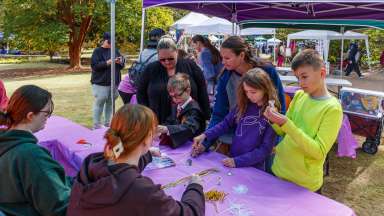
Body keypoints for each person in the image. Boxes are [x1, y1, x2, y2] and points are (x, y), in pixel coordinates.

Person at [67, 104, 205, 216]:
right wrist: (195, 187)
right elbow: (188, 213)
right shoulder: (142, 190)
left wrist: (146, 155)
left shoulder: (93, 162)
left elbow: (119, 169)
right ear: (146, 139)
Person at [264, 49, 343, 193]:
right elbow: (283, 132)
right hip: (279, 170)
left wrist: (286, 124)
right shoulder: (300, 96)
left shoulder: (332, 109)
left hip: (304, 183)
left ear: (322, 73)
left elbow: (319, 152)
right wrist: (273, 120)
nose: (300, 83)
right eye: (297, 78)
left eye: (304, 77)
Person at [202, 36, 286, 149]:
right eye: (222, 58)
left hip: (263, 141)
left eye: (227, 58)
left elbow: (280, 108)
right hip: (236, 138)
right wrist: (205, 142)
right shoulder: (225, 77)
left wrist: (272, 141)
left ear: (241, 55)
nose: (223, 62)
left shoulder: (267, 71)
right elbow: (219, 113)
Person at [0, 85, 71, 216]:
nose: (48, 117)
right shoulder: (31, 156)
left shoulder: (7, 143)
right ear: (30, 116)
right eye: (47, 113)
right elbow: (59, 207)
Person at [191, 68, 279, 170]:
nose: (249, 95)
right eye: (246, 91)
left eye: (253, 92)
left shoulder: (272, 113)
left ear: (265, 89)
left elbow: (265, 149)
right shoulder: (244, 105)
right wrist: (205, 135)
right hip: (234, 159)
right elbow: (225, 124)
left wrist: (237, 161)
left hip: (254, 167)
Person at [137, 36, 210, 124]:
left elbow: (202, 90)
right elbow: (140, 93)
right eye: (162, 59)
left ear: (177, 52)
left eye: (170, 58)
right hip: (158, 121)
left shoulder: (190, 66)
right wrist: (146, 116)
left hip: (189, 121)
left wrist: (206, 116)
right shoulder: (150, 69)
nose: (167, 62)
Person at [157, 73, 205, 149]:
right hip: (180, 144)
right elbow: (171, 120)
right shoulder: (176, 105)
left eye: (178, 95)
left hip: (192, 145)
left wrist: (167, 129)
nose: (174, 99)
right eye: (172, 96)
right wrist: (161, 129)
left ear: (188, 91)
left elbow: (189, 128)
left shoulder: (194, 110)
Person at [118, 28, 165, 104]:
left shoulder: (144, 51)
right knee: (135, 112)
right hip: (131, 87)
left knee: (133, 111)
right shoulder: (158, 55)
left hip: (125, 85)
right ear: (159, 37)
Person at [91, 32, 125, 129]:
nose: (112, 44)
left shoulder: (115, 50)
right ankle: (96, 125)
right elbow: (95, 66)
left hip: (114, 82)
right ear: (105, 40)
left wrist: (120, 61)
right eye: (110, 41)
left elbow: (122, 65)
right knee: (100, 102)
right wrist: (108, 62)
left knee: (111, 103)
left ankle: (107, 123)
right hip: (101, 82)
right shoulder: (97, 51)